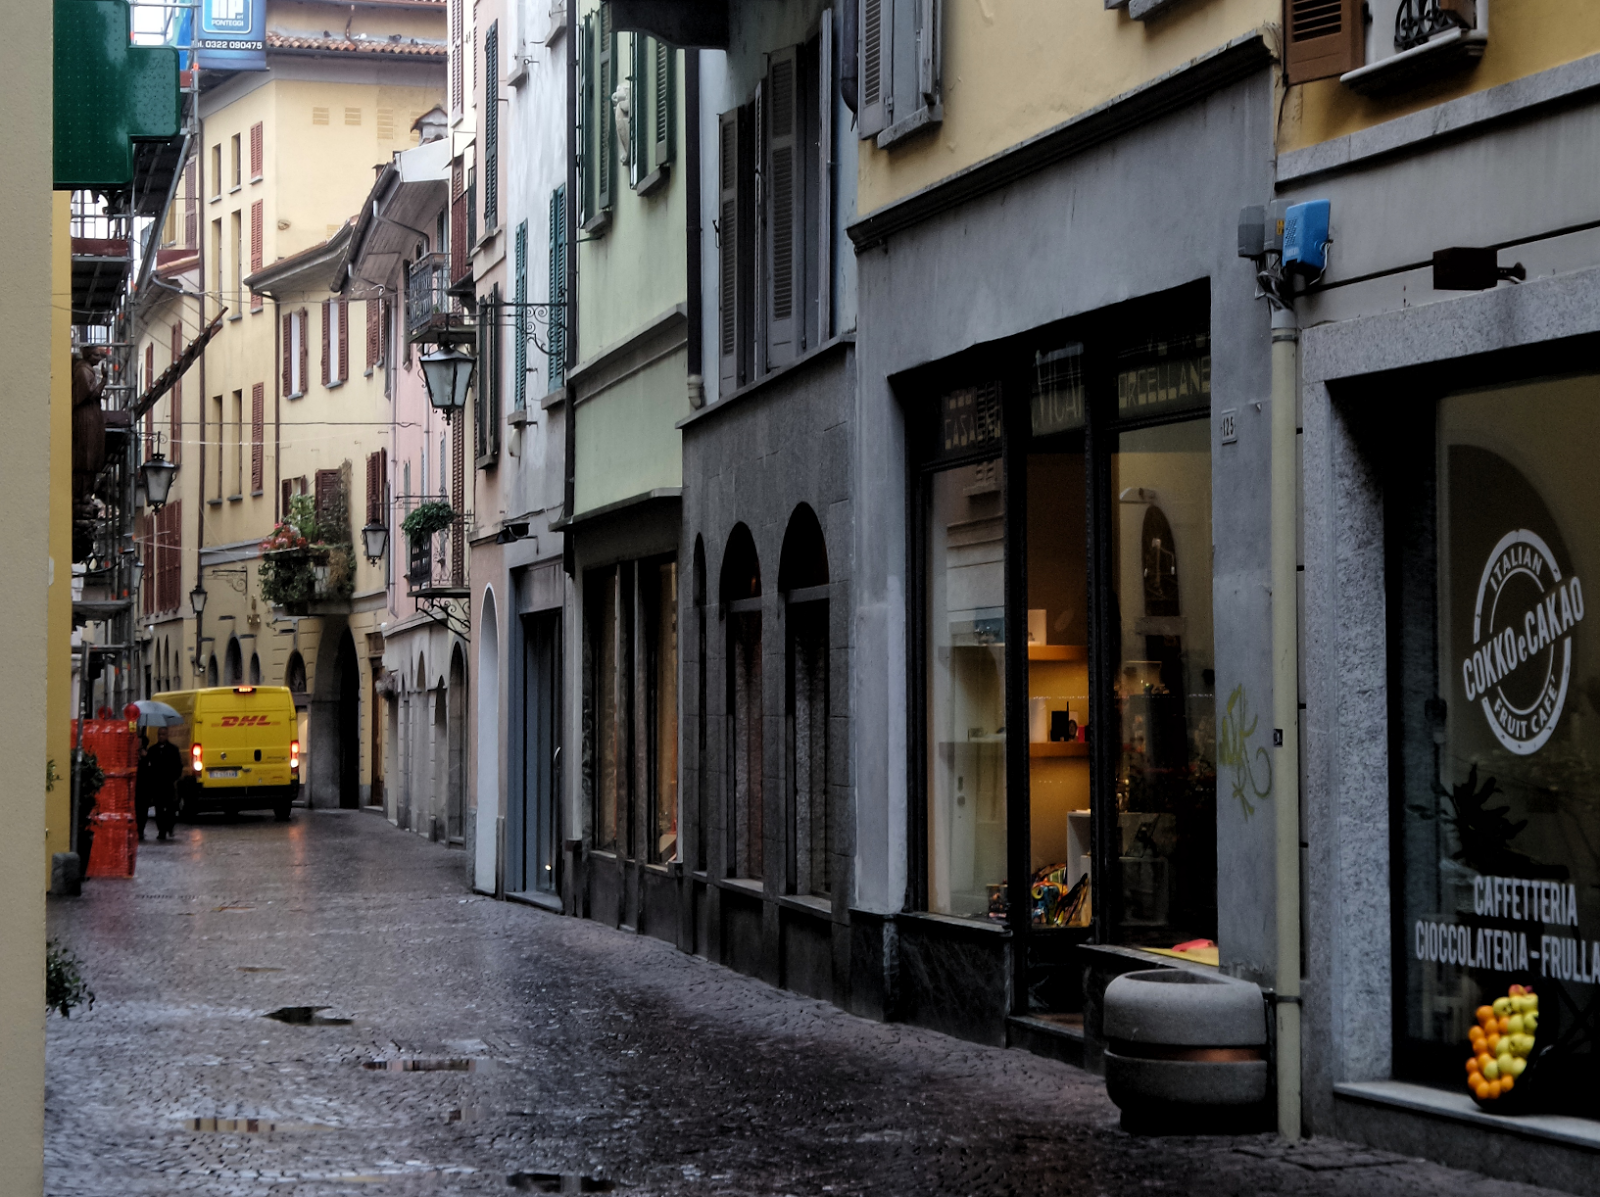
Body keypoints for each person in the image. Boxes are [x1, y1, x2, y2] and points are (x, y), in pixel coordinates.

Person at [136, 725, 183, 841]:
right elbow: (149, 765)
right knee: (159, 809)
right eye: (159, 734)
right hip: (157, 785)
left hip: (168, 784)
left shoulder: (173, 749)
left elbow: (178, 766)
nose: (161, 736)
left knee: (171, 808)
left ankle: (169, 827)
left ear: (167, 735)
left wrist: (174, 778)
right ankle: (162, 831)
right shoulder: (152, 750)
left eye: (163, 734)